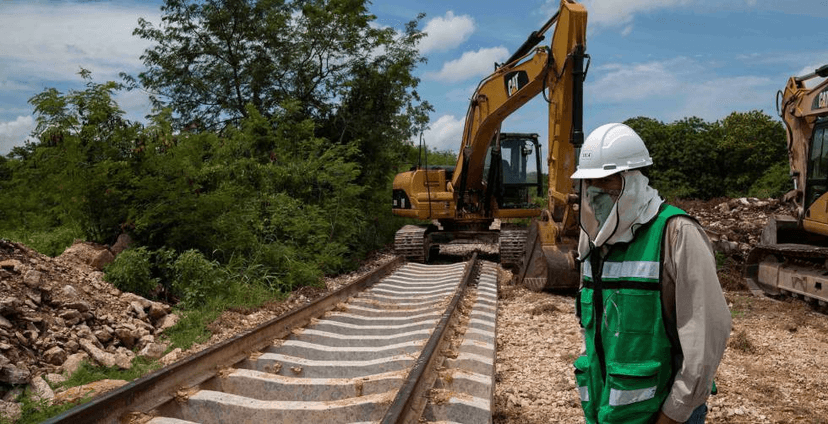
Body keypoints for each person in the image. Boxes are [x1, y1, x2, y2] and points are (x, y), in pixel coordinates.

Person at [569, 123, 731, 424]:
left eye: (605, 181)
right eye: (588, 182)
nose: (594, 192)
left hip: (665, 416)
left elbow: (705, 341)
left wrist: (673, 414)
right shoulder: (591, 241)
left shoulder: (677, 234)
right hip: (609, 413)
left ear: (631, 181)